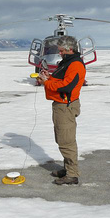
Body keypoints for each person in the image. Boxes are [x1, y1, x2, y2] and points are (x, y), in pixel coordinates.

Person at [37, 36, 86, 185]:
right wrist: (49, 78)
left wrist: (47, 83)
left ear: (69, 49)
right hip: (60, 105)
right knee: (62, 138)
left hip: (66, 106)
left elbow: (67, 86)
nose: (59, 52)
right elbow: (61, 80)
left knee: (67, 141)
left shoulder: (75, 65)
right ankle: (67, 169)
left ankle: (72, 174)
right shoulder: (68, 62)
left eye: (61, 50)